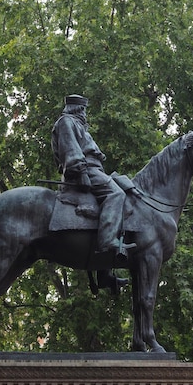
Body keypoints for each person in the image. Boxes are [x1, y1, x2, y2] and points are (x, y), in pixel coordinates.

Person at [51, 94, 135, 260]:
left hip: (95, 169)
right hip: (85, 170)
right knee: (116, 195)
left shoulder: (78, 125)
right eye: (84, 110)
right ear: (78, 109)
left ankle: (105, 274)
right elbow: (71, 150)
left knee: (126, 188)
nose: (85, 114)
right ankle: (108, 240)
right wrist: (81, 173)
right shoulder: (66, 122)